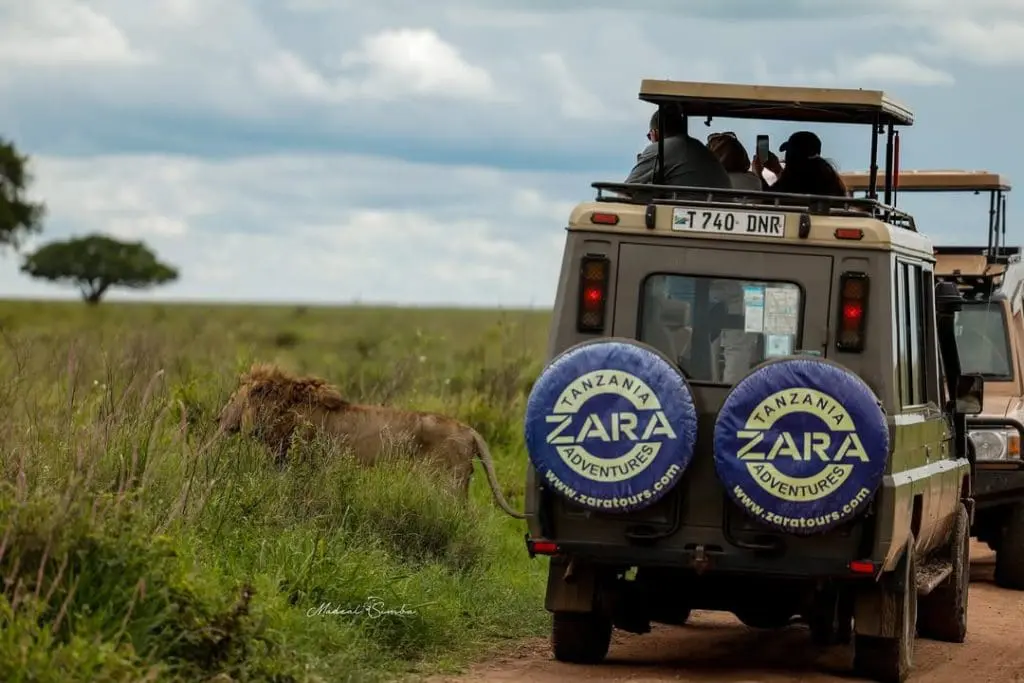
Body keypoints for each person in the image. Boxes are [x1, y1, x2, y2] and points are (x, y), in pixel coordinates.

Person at [624, 110, 731, 192]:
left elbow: (627, 190)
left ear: (655, 133)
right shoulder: (699, 147)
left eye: (649, 136)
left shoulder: (659, 148)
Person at [753, 131, 849, 197]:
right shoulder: (828, 178)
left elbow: (769, 199)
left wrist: (758, 174)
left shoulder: (794, 181)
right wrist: (778, 170)